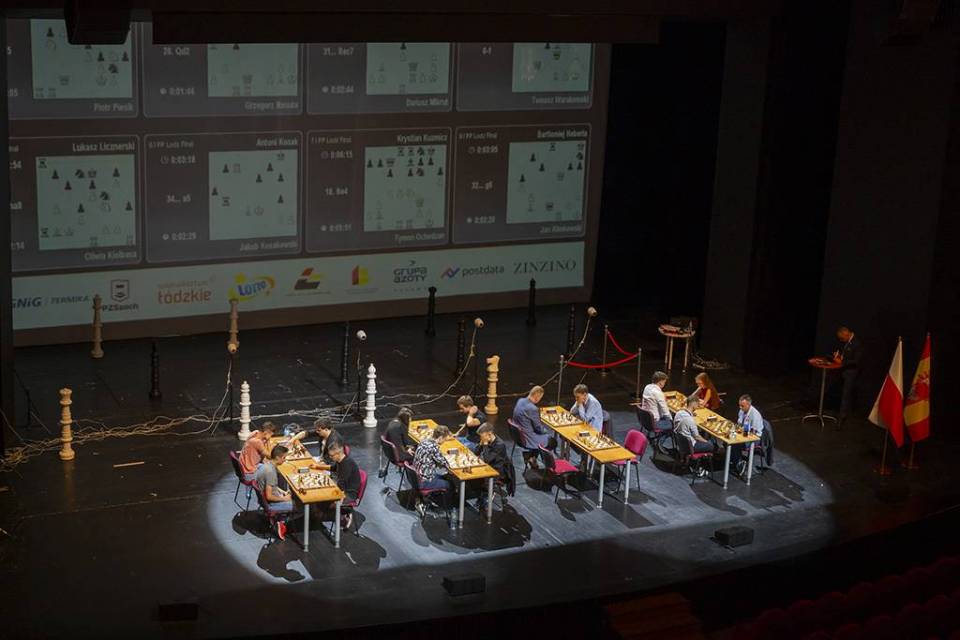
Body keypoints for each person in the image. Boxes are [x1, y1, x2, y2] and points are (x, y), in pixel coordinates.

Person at [413, 425, 455, 523]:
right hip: (425, 481)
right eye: (444, 439)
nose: (444, 441)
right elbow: (444, 462)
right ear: (440, 437)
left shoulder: (424, 441)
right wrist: (451, 466)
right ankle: (448, 510)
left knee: (444, 476)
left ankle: (433, 499)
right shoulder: (433, 447)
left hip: (417, 476)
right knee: (450, 484)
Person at [254, 444, 295, 540]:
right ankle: (280, 522)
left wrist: (283, 492)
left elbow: (273, 486)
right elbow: (269, 496)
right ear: (277, 457)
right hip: (272, 504)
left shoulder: (266, 465)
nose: (285, 460)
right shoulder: (270, 472)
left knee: (292, 494)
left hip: (270, 499)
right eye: (284, 458)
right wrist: (284, 498)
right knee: (302, 506)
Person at [512, 385, 557, 469]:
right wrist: (546, 431)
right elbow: (539, 428)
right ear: (537, 397)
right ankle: (533, 458)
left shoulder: (520, 401)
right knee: (552, 441)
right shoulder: (532, 408)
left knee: (543, 437)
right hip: (527, 438)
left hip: (517, 435)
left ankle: (531, 456)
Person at [674, 396, 716, 476]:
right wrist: (707, 442)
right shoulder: (690, 420)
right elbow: (697, 437)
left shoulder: (678, 413)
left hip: (681, 443)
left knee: (706, 439)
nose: (698, 406)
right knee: (712, 444)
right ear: (693, 404)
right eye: (697, 404)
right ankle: (700, 467)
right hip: (691, 447)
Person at [327, 441, 362, 530]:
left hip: (349, 494)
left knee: (324, 502)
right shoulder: (340, 461)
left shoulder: (346, 464)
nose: (330, 458)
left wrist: (337, 502)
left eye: (331, 456)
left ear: (338, 453)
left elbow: (341, 487)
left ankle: (344, 516)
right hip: (343, 490)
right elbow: (333, 468)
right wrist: (318, 466)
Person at [833, 326, 863, 424]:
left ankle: (842, 417)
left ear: (846, 334)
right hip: (844, 371)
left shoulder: (857, 343)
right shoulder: (847, 341)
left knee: (846, 394)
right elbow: (847, 355)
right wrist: (839, 356)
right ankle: (844, 412)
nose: (841, 340)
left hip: (851, 372)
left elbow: (856, 361)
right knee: (843, 393)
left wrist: (842, 362)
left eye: (842, 338)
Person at [732, 394, 765, 475]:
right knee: (727, 441)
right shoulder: (742, 411)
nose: (740, 407)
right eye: (739, 405)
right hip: (744, 434)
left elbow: (754, 433)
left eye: (742, 406)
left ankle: (739, 465)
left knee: (735, 445)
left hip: (755, 439)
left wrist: (741, 435)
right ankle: (737, 461)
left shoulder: (755, 415)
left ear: (748, 405)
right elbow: (739, 424)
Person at [382, 407, 416, 474]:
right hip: (399, 456)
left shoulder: (393, 422)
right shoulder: (401, 426)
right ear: (406, 418)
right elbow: (406, 442)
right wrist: (408, 449)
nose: (411, 420)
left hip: (390, 453)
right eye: (410, 418)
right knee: (420, 454)